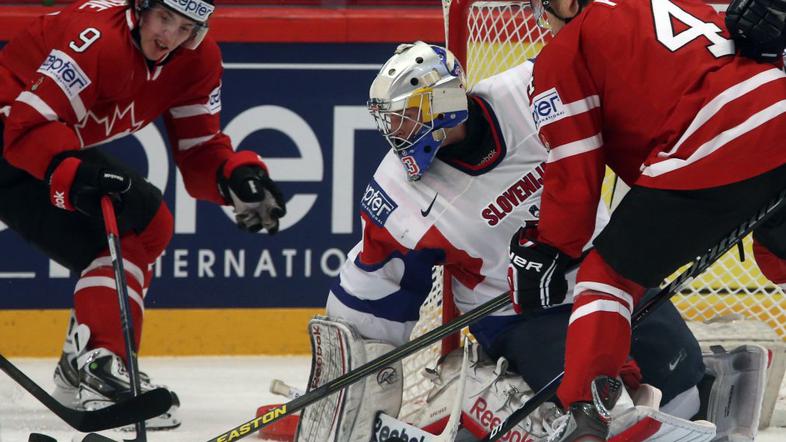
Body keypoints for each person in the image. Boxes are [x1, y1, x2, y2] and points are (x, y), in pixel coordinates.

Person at [293, 41, 713, 442]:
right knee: (603, 414)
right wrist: (346, 377)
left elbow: (623, 109)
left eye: (409, 115)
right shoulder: (400, 193)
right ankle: (488, 403)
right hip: (520, 313)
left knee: (683, 388)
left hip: (606, 275)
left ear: (445, 100)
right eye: (392, 118)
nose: (397, 131)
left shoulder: (533, 90)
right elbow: (379, 287)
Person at [0, 0, 286, 429]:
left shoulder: (197, 59)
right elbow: (24, 124)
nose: (170, 37)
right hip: (17, 137)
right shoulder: (97, 40)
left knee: (141, 220)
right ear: (141, 8)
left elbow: (200, 149)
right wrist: (71, 172)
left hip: (36, 150)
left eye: (187, 27)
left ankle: (94, 365)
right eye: (165, 19)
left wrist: (233, 175)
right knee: (125, 211)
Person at [509, 0, 786, 440]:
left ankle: (586, 417)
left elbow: (574, 169)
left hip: (717, 140)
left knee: (606, 276)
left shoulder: (564, 52)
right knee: (777, 250)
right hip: (777, 110)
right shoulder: (672, 3)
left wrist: (551, 247)